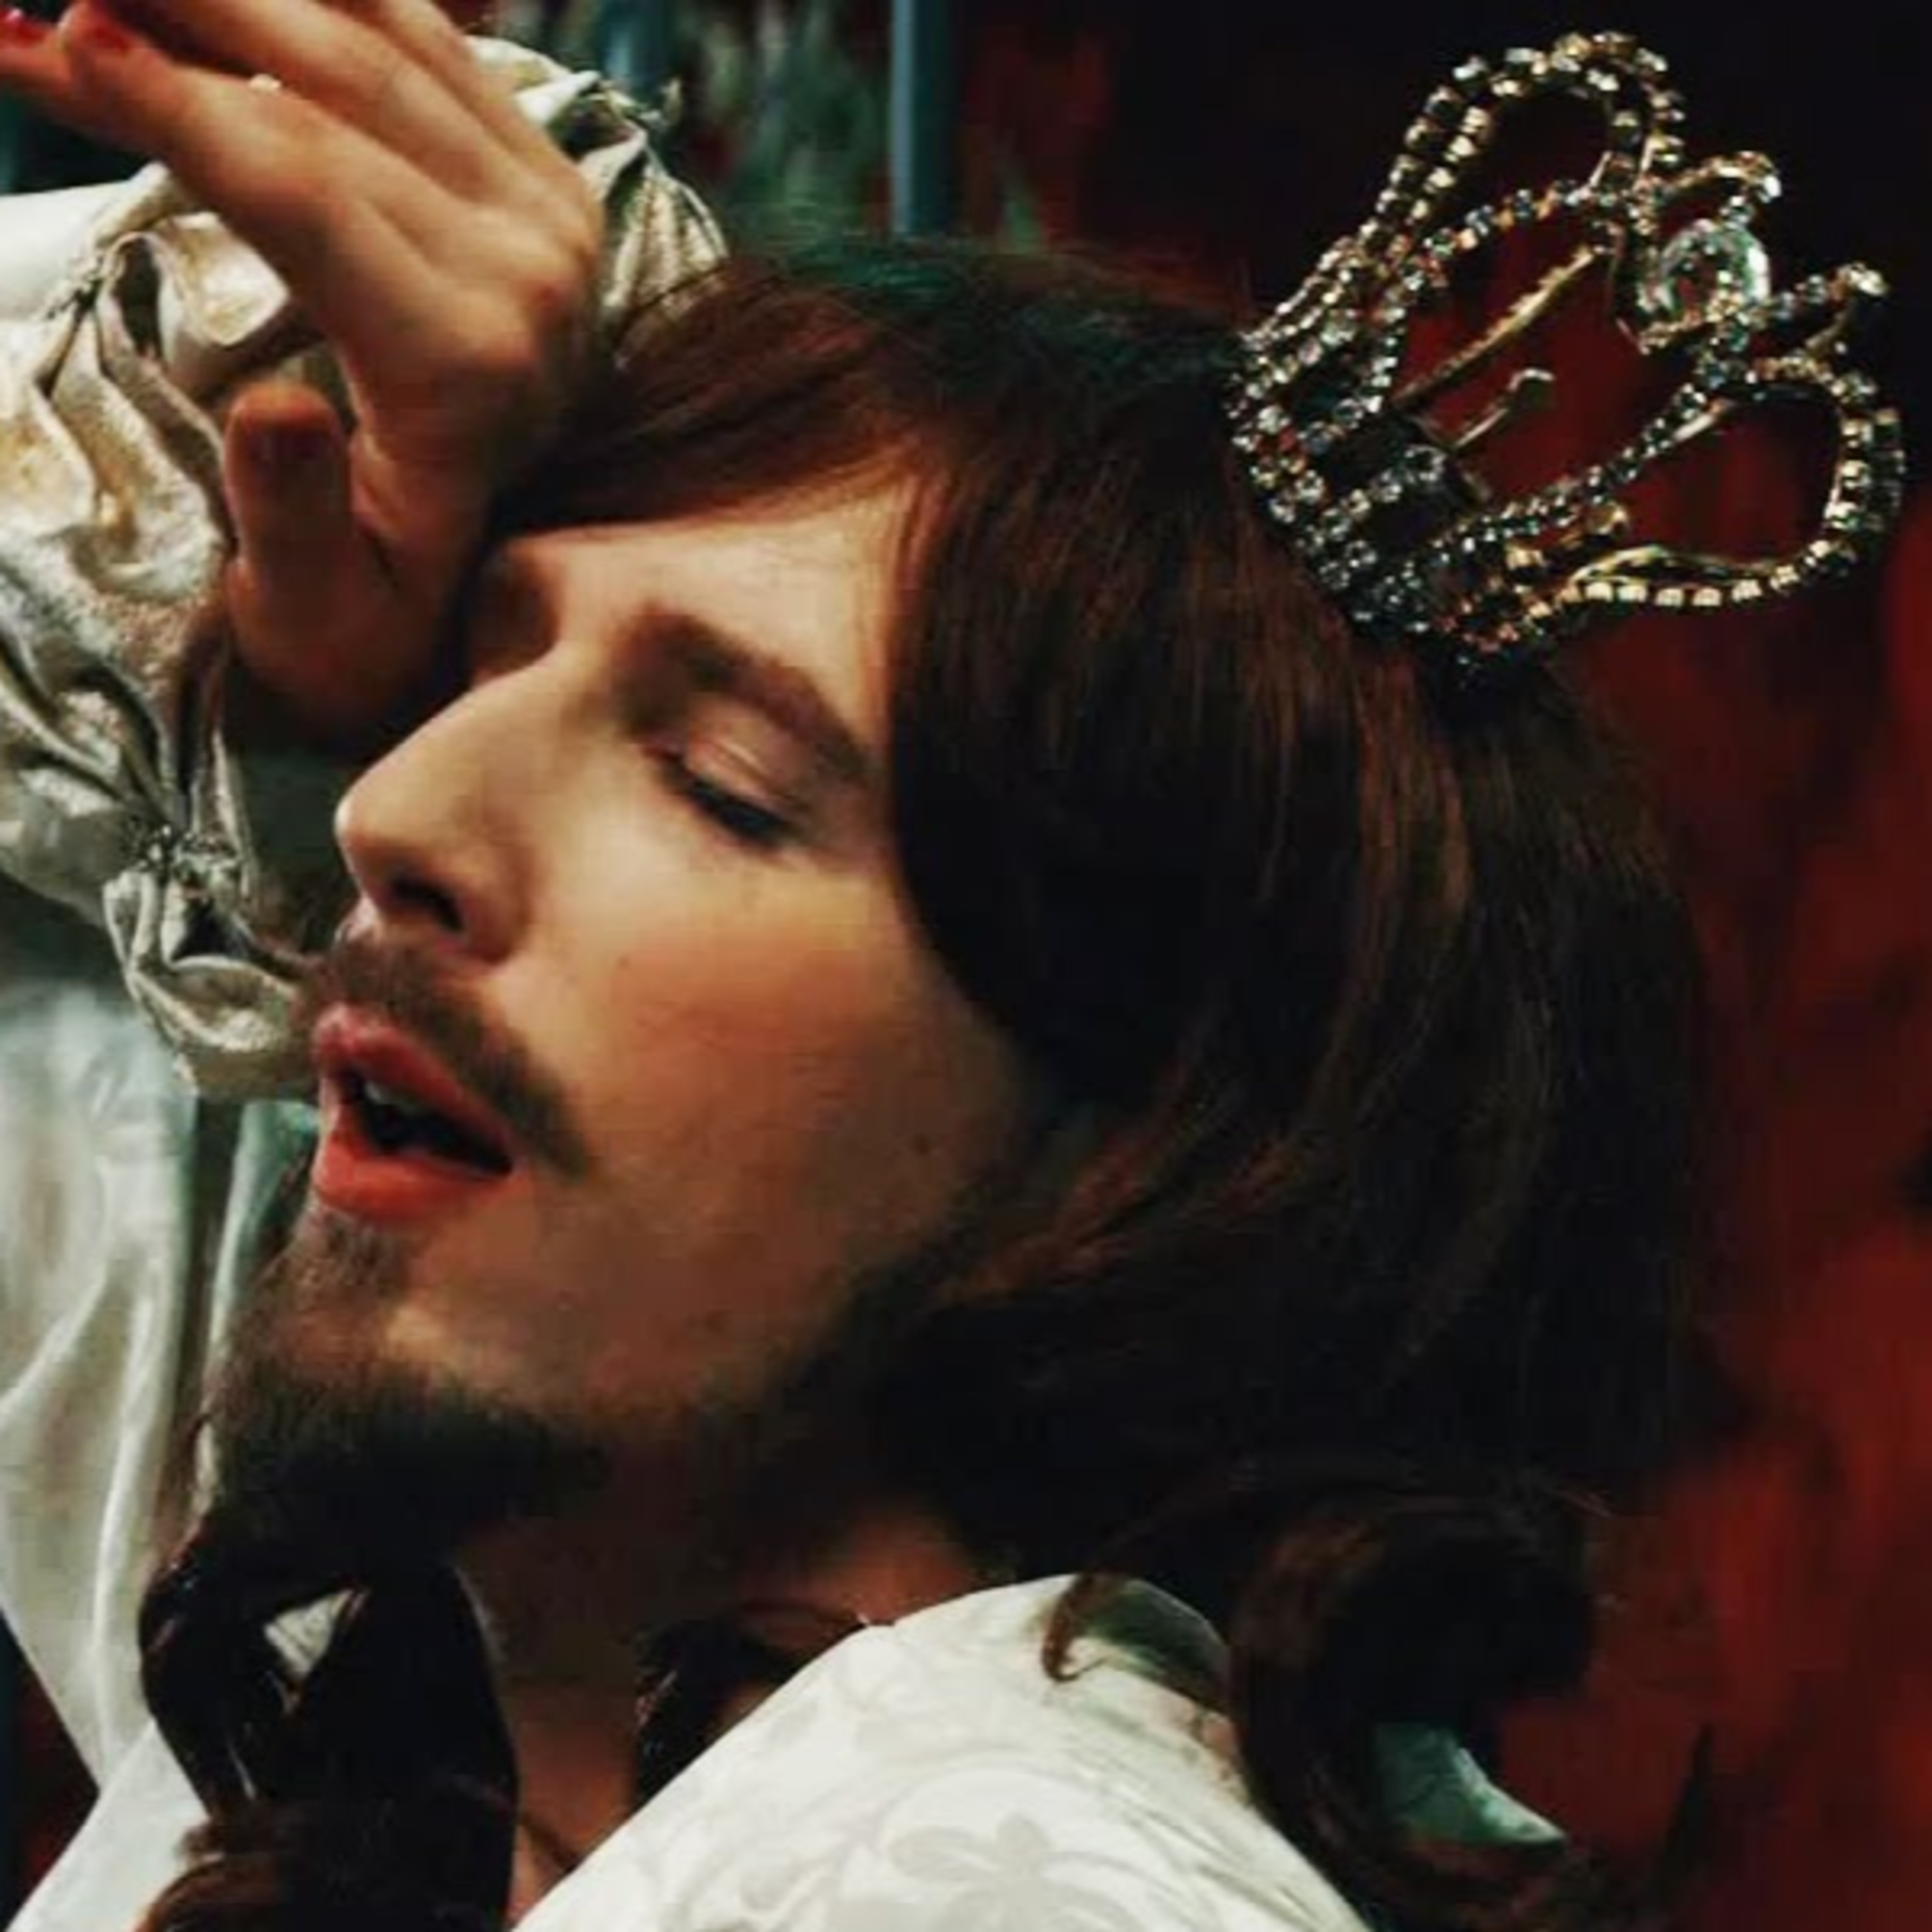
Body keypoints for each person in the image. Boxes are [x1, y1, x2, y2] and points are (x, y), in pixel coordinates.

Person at [0, 8, 1900, 1932]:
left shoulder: (1027, 1875)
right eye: (477, 673)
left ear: (1159, 1153)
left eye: (723, 786)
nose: (387, 807)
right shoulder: (413, 1703)